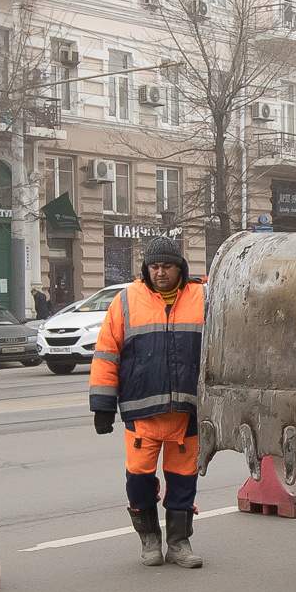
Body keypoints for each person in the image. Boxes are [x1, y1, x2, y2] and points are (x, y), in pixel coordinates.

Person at [90, 235, 205, 569]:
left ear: (179, 267)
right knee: (138, 478)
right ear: (146, 268)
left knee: (183, 481)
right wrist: (102, 405)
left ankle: (179, 543)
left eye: (166, 266)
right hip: (142, 412)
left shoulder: (203, 298)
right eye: (154, 267)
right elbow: (106, 354)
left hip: (188, 412)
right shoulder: (126, 301)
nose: (160, 273)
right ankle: (149, 540)